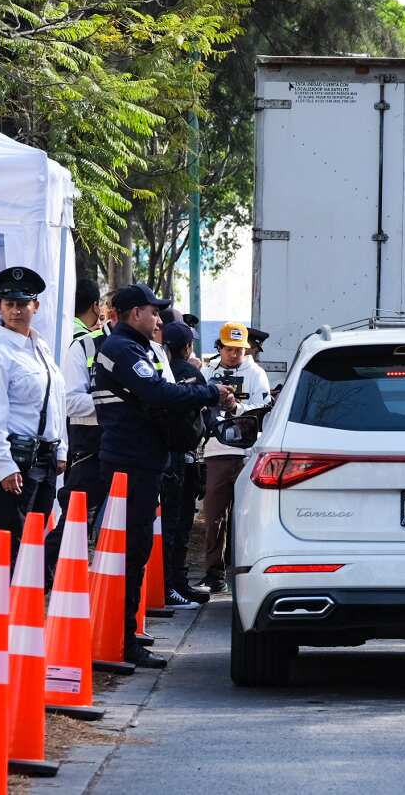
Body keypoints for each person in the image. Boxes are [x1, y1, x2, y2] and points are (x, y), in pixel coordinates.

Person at [90, 285, 229, 667]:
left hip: (141, 462)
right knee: (129, 554)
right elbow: (156, 393)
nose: (158, 320)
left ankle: (126, 635)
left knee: (135, 553)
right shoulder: (121, 349)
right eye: (154, 312)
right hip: (128, 463)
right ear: (134, 313)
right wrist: (208, 393)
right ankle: (120, 640)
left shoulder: (135, 348)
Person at [0, 267, 68, 565]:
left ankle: (27, 606)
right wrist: (4, 465)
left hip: (44, 457)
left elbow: (55, 400)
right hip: (15, 457)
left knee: (33, 539)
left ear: (35, 306)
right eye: (9, 304)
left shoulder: (38, 347)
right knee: (10, 542)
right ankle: (7, 608)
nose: (15, 311)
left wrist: (61, 449)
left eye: (22, 304)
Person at [198, 321, 272, 594]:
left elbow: (262, 410)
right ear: (220, 347)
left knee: (245, 518)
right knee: (214, 515)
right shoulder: (208, 370)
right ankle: (213, 573)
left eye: (239, 349)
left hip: (246, 454)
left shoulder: (256, 374)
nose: (234, 355)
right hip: (216, 451)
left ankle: (242, 572)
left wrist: (236, 406)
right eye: (229, 349)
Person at [46, 278, 109, 573]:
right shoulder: (84, 341)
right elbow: (71, 400)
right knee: (77, 507)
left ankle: (61, 568)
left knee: (79, 509)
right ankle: (49, 569)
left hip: (77, 433)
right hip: (83, 434)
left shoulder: (66, 333)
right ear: (97, 307)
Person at [158, 321, 208, 607]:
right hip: (182, 458)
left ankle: (177, 583)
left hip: (168, 456)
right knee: (178, 524)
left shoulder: (161, 369)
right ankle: (173, 584)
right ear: (187, 347)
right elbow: (203, 410)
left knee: (174, 525)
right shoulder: (190, 373)